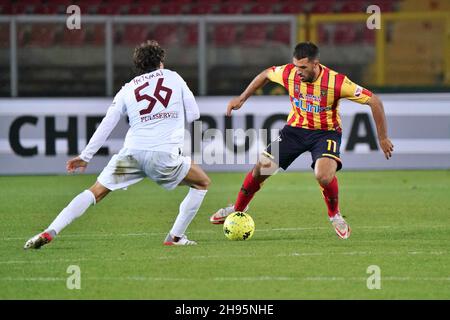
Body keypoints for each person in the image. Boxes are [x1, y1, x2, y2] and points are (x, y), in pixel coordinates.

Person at [24, 40, 210, 249]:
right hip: (163, 155)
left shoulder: (128, 89)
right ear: (160, 62)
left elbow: (107, 123)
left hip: (131, 155)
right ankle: (175, 237)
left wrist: (85, 156)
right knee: (201, 182)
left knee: (95, 192)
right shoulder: (174, 78)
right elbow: (194, 114)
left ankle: (50, 230)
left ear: (138, 66)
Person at [210, 42, 394, 239]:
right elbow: (265, 74)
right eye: (296, 66)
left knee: (323, 175)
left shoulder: (336, 82)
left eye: (303, 68)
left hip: (325, 133)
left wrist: (382, 137)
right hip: (295, 131)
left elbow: (374, 101)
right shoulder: (289, 72)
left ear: (316, 64)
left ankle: (335, 215)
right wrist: (242, 98)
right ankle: (237, 209)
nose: (298, 72)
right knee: (260, 169)